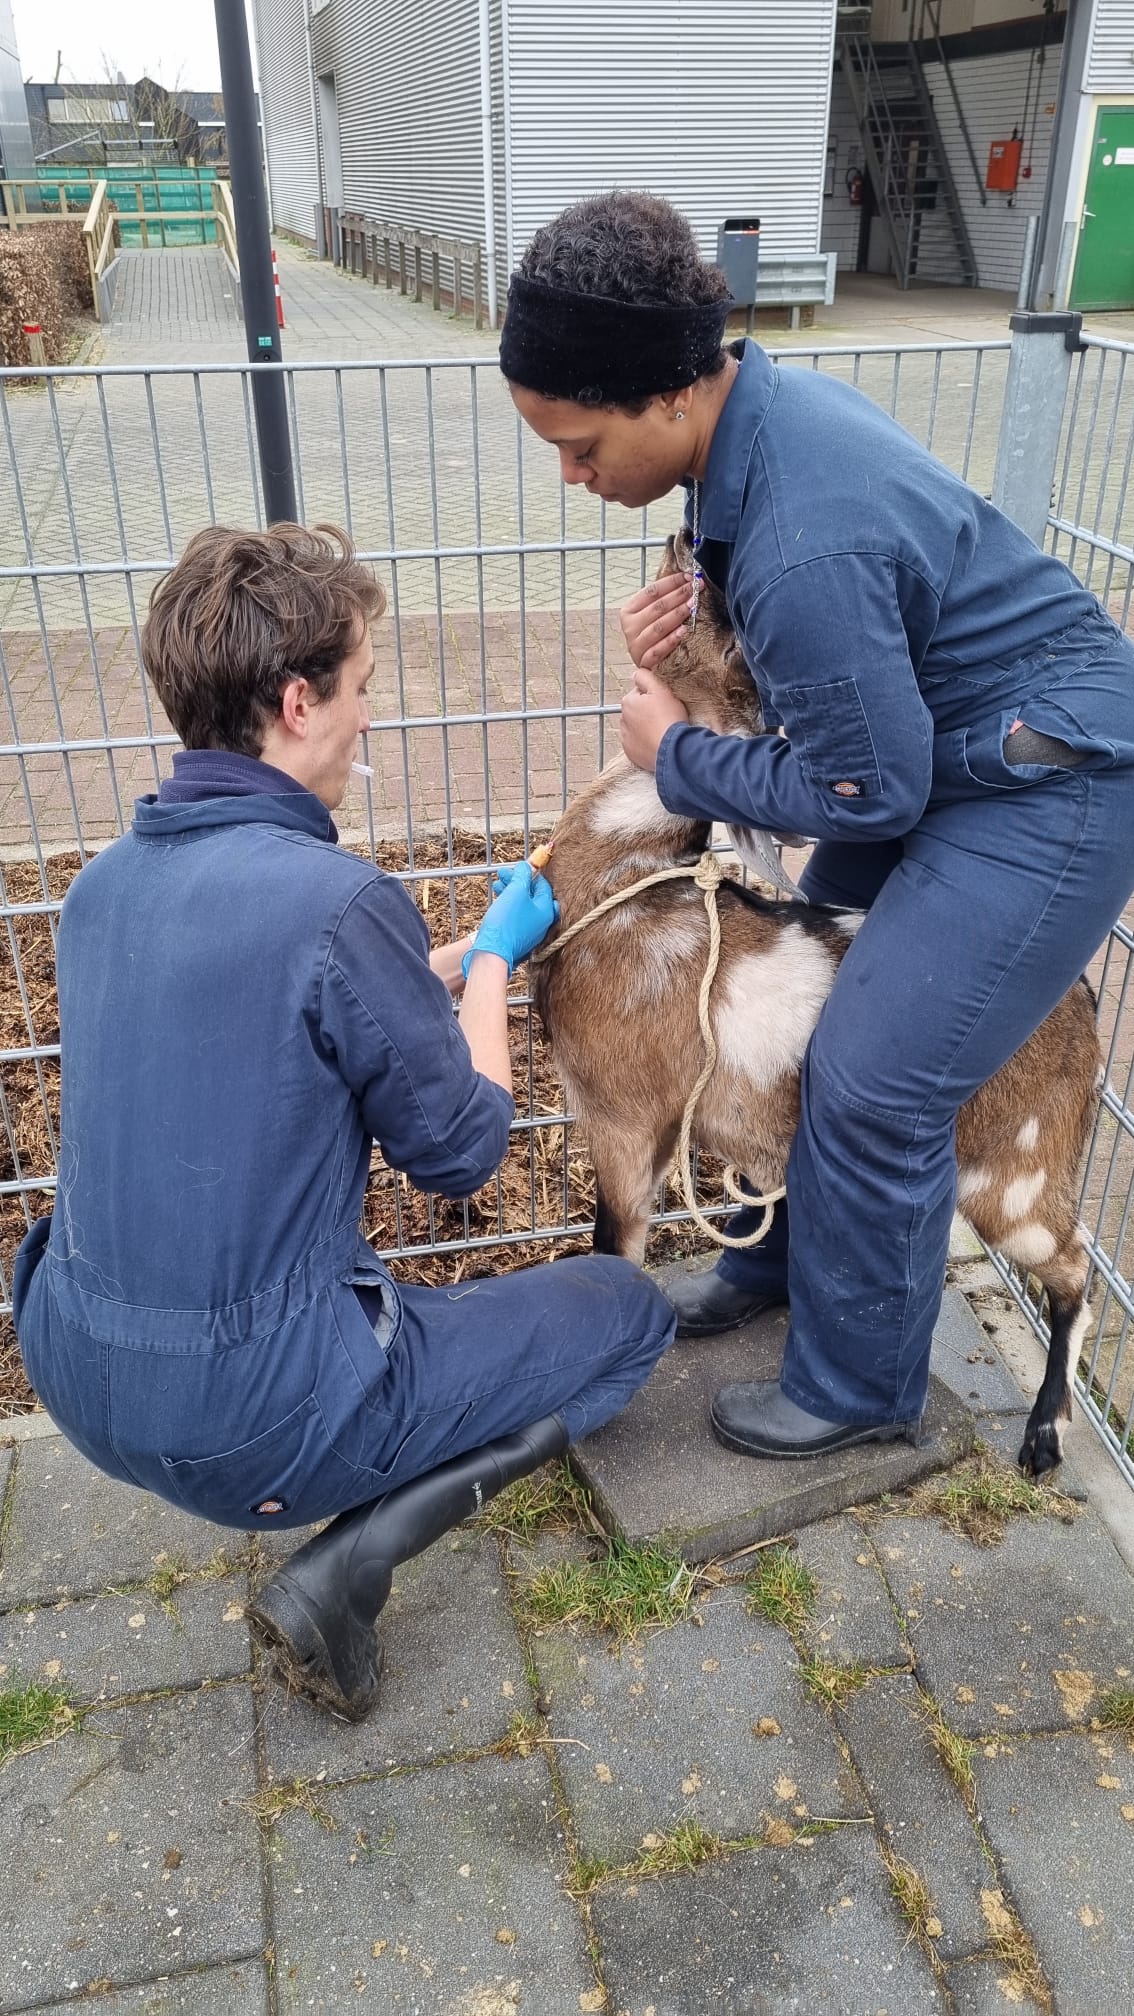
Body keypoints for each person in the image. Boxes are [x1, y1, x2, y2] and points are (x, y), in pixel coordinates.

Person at [501, 189, 1134, 1463]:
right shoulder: (747, 430)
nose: (573, 479)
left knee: (878, 1076)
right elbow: (833, 711)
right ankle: (787, 1267)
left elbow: (868, 794)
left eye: (578, 445)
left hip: (1049, 785)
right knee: (824, 1004)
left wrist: (671, 756)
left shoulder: (798, 536)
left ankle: (860, 1389)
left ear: (669, 395)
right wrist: (687, 665)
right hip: (947, 749)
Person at [12, 522, 676, 1721]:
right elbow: (464, 1155)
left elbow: (269, 1014)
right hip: (254, 1417)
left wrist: (431, 961)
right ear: (300, 699)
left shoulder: (105, 885)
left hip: (73, 1366)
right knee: (628, 1315)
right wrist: (490, 975)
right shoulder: (334, 900)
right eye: (364, 688)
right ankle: (345, 1566)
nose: (372, 717)